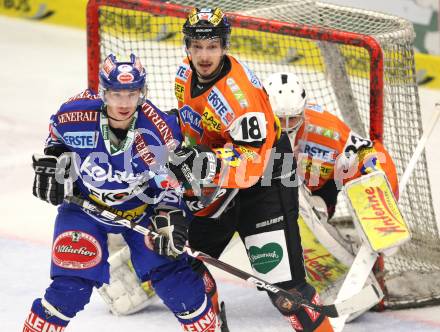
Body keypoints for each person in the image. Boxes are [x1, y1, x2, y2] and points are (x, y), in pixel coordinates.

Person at [23, 53, 224, 332]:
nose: (124, 103)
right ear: (103, 92)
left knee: (175, 283)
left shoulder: (159, 130)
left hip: (140, 211)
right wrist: (53, 159)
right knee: (69, 290)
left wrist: (168, 214)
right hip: (84, 208)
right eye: (117, 94)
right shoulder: (75, 113)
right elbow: (56, 136)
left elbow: (170, 182)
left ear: (142, 93)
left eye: (132, 94)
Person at [167, 7, 334, 332]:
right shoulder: (183, 75)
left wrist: (205, 164)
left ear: (224, 46)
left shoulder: (239, 97)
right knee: (184, 262)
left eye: (212, 46)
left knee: (286, 292)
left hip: (265, 181)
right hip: (218, 182)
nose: (204, 55)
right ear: (187, 46)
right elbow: (189, 126)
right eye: (197, 46)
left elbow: (252, 163)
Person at [263, 71, 399, 220]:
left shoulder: (327, 129)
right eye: (280, 119)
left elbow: (368, 155)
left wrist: (383, 194)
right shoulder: (249, 124)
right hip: (265, 188)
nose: (287, 127)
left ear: (303, 111)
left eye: (293, 118)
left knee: (314, 208)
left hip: (316, 193)